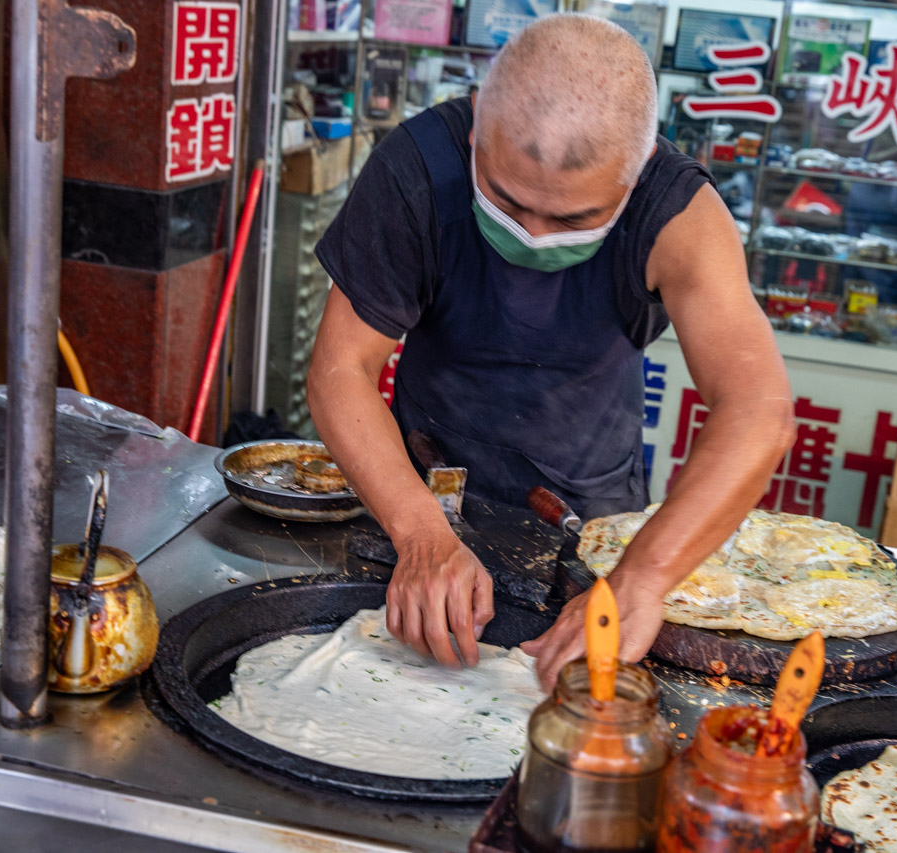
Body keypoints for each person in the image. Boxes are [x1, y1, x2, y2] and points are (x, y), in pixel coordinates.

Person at [307, 14, 794, 690]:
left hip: (588, 505)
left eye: (571, 220)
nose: (533, 235)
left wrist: (642, 577)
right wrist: (418, 532)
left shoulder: (680, 217)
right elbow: (341, 367)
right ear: (478, 132)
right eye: (506, 202)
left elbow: (757, 410)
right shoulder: (417, 168)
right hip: (416, 482)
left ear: (635, 175)